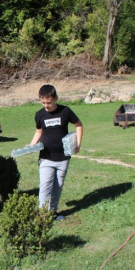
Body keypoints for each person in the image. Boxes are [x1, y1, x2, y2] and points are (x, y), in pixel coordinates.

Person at [28, 84, 83, 220]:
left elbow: (79, 125)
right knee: (45, 184)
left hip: (63, 157)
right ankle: (42, 214)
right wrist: (31, 145)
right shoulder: (39, 115)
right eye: (43, 103)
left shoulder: (65, 111)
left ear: (56, 98)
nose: (46, 106)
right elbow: (38, 131)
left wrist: (78, 144)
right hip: (46, 157)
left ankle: (52, 212)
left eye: (49, 102)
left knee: (58, 185)